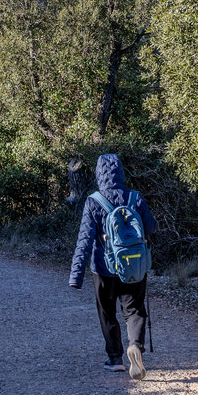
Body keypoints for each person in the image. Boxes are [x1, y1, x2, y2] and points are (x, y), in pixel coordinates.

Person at [68, 153, 157, 379]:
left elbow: (84, 240)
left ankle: (115, 358)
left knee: (107, 312)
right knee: (135, 310)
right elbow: (151, 227)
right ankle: (135, 346)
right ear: (121, 173)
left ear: (99, 174)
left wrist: (75, 276)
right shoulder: (135, 198)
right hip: (134, 268)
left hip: (103, 269)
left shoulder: (93, 201)